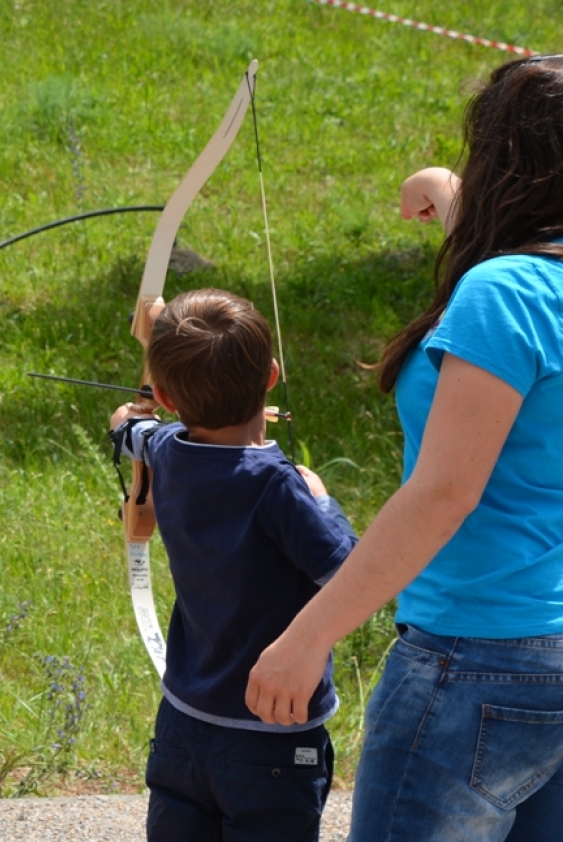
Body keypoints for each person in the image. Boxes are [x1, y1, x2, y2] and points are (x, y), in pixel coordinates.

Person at [245, 55, 563, 842]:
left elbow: (444, 494)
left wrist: (308, 637)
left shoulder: (506, 294)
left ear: (505, 162)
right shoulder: (528, 290)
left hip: (477, 657)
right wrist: (446, 194)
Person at [109, 288, 359, 842]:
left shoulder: (166, 449)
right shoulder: (279, 487)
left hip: (183, 723)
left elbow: (129, 429)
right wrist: (322, 499)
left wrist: (133, 414)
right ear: (270, 377)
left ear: (166, 397)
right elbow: (349, 574)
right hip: (271, 737)